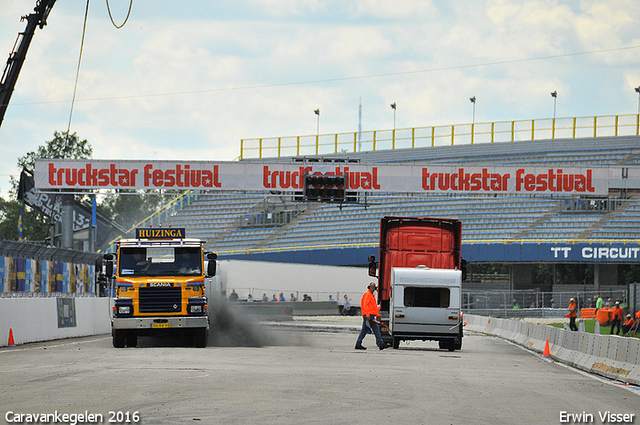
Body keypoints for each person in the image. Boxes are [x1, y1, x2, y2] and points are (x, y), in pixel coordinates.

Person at [355, 283, 387, 350]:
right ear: (369, 287)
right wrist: (367, 315)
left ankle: (359, 343)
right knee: (373, 329)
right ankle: (380, 344)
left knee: (368, 330)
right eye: (372, 287)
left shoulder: (371, 295)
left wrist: (377, 314)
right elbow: (365, 305)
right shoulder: (368, 294)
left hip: (370, 315)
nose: (373, 289)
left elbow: (373, 307)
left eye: (374, 287)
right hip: (368, 316)